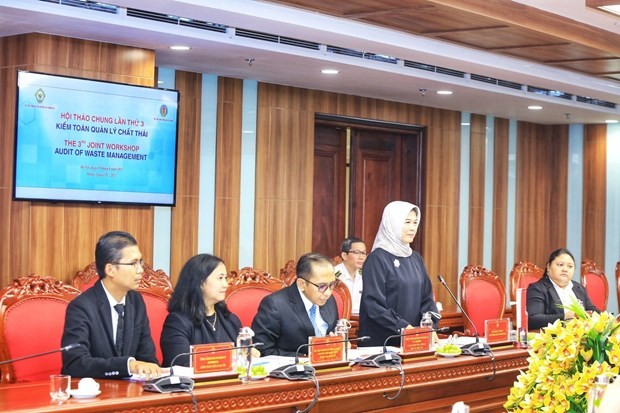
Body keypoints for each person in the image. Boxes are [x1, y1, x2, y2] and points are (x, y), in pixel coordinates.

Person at [61, 231, 161, 379]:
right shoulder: (82, 307)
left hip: (133, 394)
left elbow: (147, 358)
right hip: (95, 394)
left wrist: (150, 369)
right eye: (133, 263)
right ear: (110, 270)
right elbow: (75, 363)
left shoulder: (136, 301)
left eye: (140, 262)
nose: (141, 270)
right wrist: (128, 366)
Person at [358, 201, 438, 347]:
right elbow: (373, 305)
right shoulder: (377, 259)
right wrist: (404, 327)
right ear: (392, 223)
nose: (412, 228)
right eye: (406, 222)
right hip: (383, 343)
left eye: (415, 222)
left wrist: (429, 325)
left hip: (414, 340)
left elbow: (427, 298)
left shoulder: (416, 258)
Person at [160, 253, 259, 367]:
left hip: (230, 383)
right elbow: (181, 363)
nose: (226, 284)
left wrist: (248, 354)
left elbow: (241, 358)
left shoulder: (230, 320)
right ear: (200, 283)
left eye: (225, 278)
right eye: (220, 278)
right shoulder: (177, 322)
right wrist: (230, 356)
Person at [252, 252, 339, 356]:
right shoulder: (275, 305)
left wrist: (339, 346)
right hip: (293, 369)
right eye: (322, 286)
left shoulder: (329, 300)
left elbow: (334, 336)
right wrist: (305, 359)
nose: (328, 292)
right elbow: (263, 350)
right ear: (301, 284)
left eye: (332, 284)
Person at [526, 248, 599, 330]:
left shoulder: (578, 288)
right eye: (560, 265)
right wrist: (565, 316)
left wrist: (606, 317)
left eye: (570, 266)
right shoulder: (538, 289)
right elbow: (533, 319)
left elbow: (591, 310)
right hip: (553, 339)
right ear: (548, 267)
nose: (565, 269)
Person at [334, 237, 366, 315]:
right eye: (356, 252)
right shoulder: (333, 274)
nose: (361, 257)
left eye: (364, 253)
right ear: (344, 255)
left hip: (359, 321)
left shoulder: (365, 276)